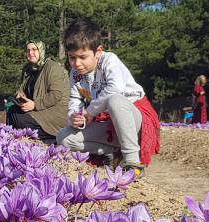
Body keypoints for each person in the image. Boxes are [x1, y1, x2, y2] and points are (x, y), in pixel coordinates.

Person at [56, 19, 160, 175]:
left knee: (115, 100)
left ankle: (132, 161)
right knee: (64, 137)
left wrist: (90, 112)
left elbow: (114, 89)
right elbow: (76, 99)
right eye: (72, 58)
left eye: (82, 57)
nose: (76, 63)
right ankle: (112, 153)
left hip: (134, 119)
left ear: (98, 51)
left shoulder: (109, 61)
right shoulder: (75, 73)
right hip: (108, 123)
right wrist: (74, 116)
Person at [6, 40, 69, 144]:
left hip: (54, 111)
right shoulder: (29, 69)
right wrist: (19, 96)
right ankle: (16, 141)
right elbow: (21, 89)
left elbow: (55, 95)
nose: (30, 53)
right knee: (12, 109)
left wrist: (35, 105)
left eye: (34, 49)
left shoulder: (52, 67)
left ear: (41, 51)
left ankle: (51, 138)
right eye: (28, 50)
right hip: (38, 110)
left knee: (19, 118)